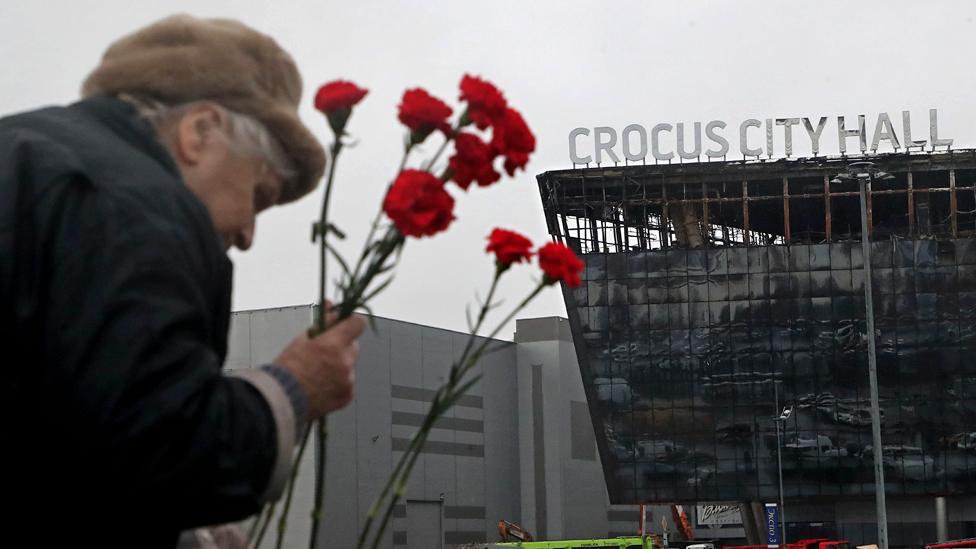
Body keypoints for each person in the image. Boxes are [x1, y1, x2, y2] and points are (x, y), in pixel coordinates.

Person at [0, 14, 365, 548]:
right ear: (199, 133)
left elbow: (64, 451)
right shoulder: (138, 202)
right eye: (258, 196)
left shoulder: (25, 154)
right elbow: (158, 451)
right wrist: (293, 388)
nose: (246, 234)